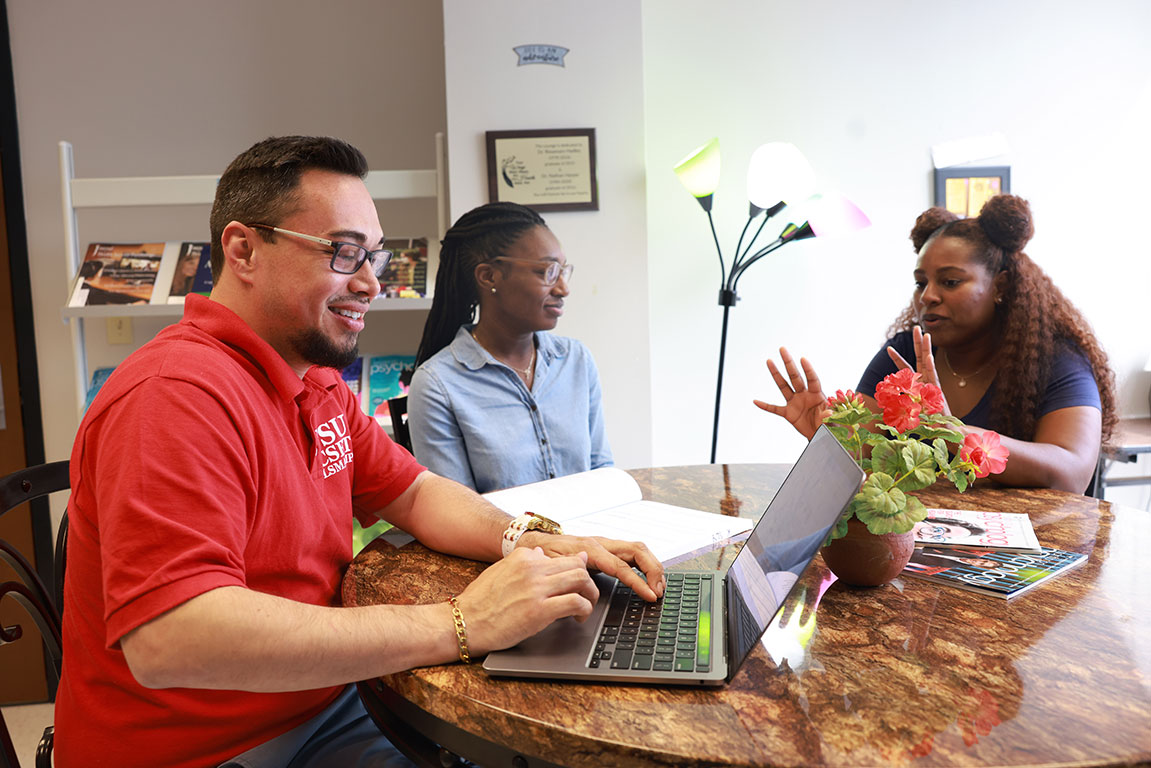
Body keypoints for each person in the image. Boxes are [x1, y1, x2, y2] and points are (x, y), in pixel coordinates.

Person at [56, 136, 663, 768]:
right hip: (202, 748)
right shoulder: (175, 395)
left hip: (324, 705)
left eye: (373, 256)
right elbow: (171, 640)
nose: (372, 282)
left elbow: (414, 491)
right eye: (345, 254)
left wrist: (537, 540)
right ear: (243, 250)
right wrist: (463, 621)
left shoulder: (314, 379)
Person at [755, 194, 1116, 495]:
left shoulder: (1056, 360)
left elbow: (1071, 473)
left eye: (950, 281)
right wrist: (827, 437)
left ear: (1001, 287)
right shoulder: (904, 353)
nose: (927, 296)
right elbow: (863, 454)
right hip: (929, 551)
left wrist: (955, 432)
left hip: (1034, 559)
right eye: (920, 282)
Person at [406, 201, 612, 493]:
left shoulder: (576, 360)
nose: (563, 289)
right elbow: (457, 513)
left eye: (563, 271)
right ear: (489, 276)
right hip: (505, 540)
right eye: (547, 272)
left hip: (590, 535)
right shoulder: (437, 385)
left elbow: (601, 471)